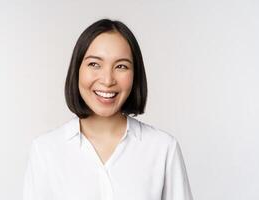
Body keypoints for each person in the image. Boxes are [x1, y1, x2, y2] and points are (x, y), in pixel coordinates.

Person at [23, 19, 193, 200]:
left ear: (135, 75)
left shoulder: (163, 149)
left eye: (121, 66)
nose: (107, 79)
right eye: (94, 64)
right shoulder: (45, 151)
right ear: (77, 69)